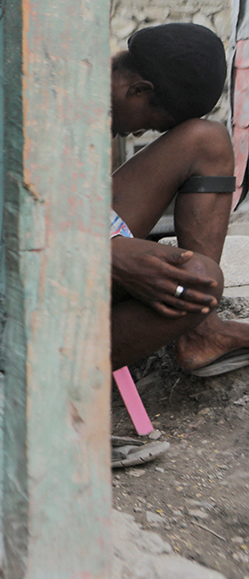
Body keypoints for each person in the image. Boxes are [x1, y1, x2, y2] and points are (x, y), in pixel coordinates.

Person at [109, 23, 249, 376]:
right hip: (34, 267)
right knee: (201, 280)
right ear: (139, 89)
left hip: (82, 236)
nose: (140, 134)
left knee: (208, 140)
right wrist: (101, 251)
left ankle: (203, 330)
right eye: (156, 123)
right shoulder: (51, 91)